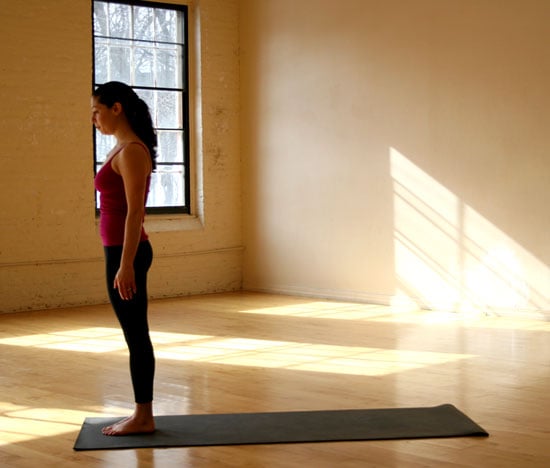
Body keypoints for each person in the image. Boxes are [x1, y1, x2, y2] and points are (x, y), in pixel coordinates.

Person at [92, 81, 156, 436]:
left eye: (97, 111)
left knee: (136, 334)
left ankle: (143, 416)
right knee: (133, 332)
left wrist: (126, 264)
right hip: (117, 251)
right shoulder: (120, 149)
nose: (93, 119)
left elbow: (135, 213)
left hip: (126, 253)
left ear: (116, 108)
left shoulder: (131, 151)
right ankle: (141, 413)